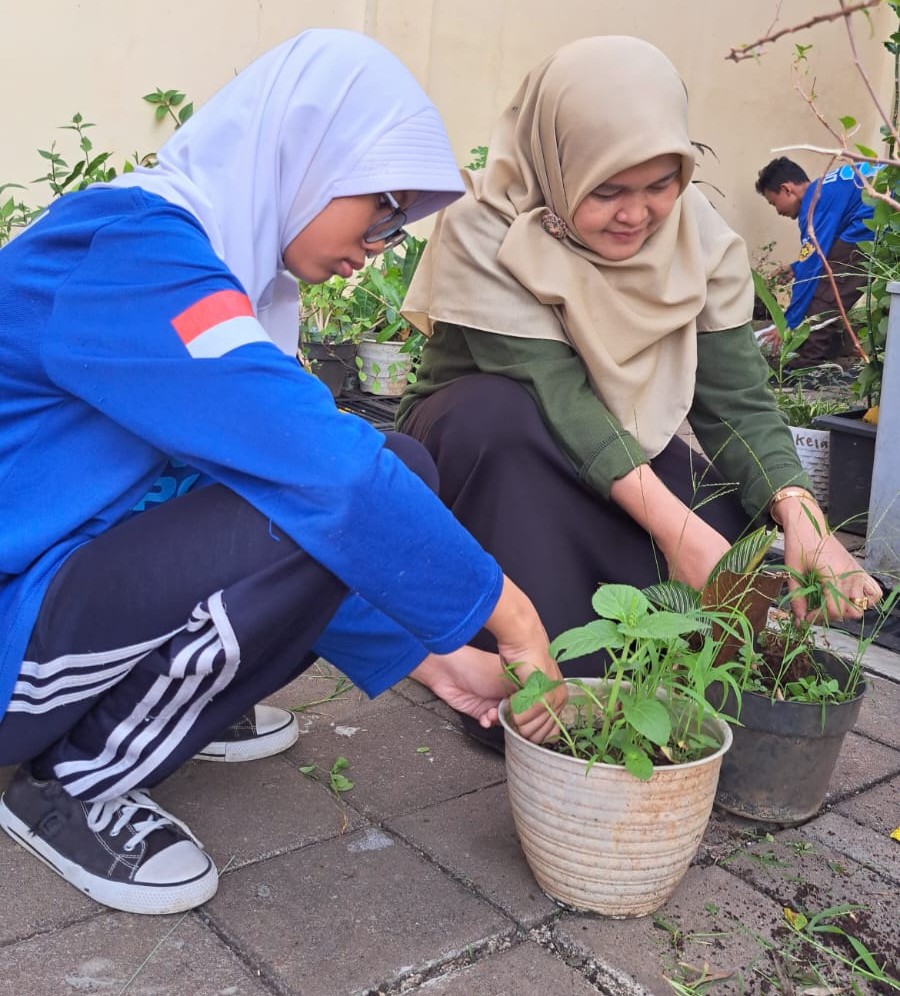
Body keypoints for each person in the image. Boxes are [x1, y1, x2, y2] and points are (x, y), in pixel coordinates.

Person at [0, 28, 565, 916]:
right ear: (305, 148)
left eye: (399, 223)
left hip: (63, 577)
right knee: (331, 485)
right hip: (14, 626)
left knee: (369, 474)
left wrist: (441, 660)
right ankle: (71, 781)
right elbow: (326, 483)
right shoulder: (125, 252)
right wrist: (516, 621)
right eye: (379, 205)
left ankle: (164, 704)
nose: (381, 242)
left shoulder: (223, 274)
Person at [397, 36, 883, 743]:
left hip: (617, 435)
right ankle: (526, 686)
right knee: (504, 422)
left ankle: (666, 700)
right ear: (558, 164)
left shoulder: (700, 239)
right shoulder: (485, 227)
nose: (638, 215)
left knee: (722, 518)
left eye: (661, 185)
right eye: (607, 190)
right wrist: (676, 531)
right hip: (486, 444)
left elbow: (735, 400)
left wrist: (803, 520)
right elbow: (558, 398)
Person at [754, 156, 876, 366]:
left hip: (873, 227)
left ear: (787, 189)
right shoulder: (828, 189)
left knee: (827, 285)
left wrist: (787, 324)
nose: (777, 211)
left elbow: (814, 270)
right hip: (883, 216)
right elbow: (819, 253)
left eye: (773, 203)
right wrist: (797, 267)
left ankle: (807, 363)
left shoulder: (814, 205)